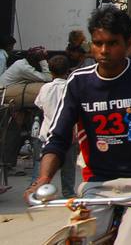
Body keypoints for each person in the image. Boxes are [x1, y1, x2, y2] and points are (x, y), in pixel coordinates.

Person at [27, 6, 131, 241]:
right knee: (76, 239)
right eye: (98, 43)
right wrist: (42, 180)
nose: (104, 51)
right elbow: (58, 137)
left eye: (113, 43)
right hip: (96, 184)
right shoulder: (78, 81)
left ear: (129, 44)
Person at [33, 55, 76, 197]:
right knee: (68, 169)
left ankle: (37, 192)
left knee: (41, 168)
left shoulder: (45, 88)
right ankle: (68, 193)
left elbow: (39, 105)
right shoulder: (71, 88)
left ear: (51, 72)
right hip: (67, 135)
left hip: (46, 134)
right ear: (68, 71)